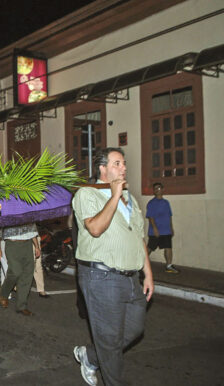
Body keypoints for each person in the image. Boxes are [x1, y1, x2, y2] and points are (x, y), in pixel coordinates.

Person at [72, 148, 154, 386]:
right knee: (109, 340)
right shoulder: (87, 193)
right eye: (117, 163)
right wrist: (114, 197)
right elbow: (95, 228)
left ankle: (89, 356)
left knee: (134, 330)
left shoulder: (130, 198)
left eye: (124, 163)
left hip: (130, 278)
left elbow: (139, 237)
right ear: (103, 169)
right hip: (101, 276)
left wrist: (147, 273)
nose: (124, 168)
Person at [0, 223, 41, 316]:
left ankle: (21, 306)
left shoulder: (26, 209)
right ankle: (4, 293)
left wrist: (37, 246)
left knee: (27, 275)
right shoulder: (8, 211)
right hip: (12, 244)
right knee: (15, 272)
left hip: (27, 244)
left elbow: (32, 229)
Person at [146, 182, 179, 273]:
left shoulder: (166, 203)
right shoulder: (151, 203)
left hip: (166, 230)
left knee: (168, 247)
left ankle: (169, 266)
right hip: (155, 231)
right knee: (150, 248)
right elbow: (150, 217)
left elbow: (169, 216)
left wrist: (171, 228)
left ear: (163, 189)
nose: (157, 190)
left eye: (159, 188)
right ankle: (140, 265)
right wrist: (155, 229)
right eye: (155, 189)